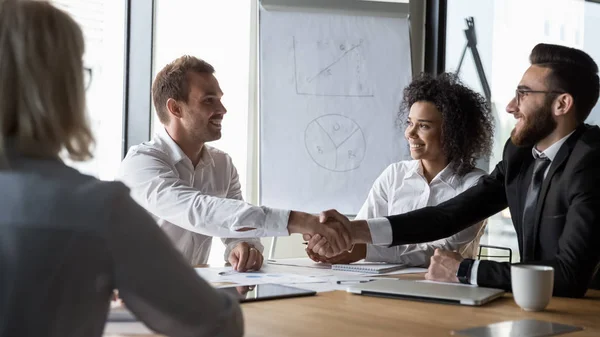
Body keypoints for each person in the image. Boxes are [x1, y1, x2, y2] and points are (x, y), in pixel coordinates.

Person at [312, 43, 600, 298]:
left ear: (562, 103)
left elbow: (569, 277)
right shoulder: (520, 156)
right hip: (536, 305)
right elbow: (446, 216)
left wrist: (466, 270)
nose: (511, 106)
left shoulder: (592, 162)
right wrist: (353, 229)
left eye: (523, 94)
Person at [117, 55, 351, 269]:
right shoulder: (141, 164)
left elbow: (236, 231)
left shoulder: (222, 164)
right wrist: (301, 221)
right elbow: (197, 210)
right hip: (130, 300)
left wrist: (241, 247)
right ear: (175, 108)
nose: (222, 109)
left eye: (219, 99)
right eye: (209, 101)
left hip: (190, 295)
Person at [306, 73, 493, 267]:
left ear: (453, 132)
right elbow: (359, 233)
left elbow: (441, 253)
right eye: (410, 123)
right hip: (384, 285)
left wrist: (362, 250)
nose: (410, 133)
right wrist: (335, 242)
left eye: (423, 126)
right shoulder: (394, 175)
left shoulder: (476, 185)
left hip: (446, 289)